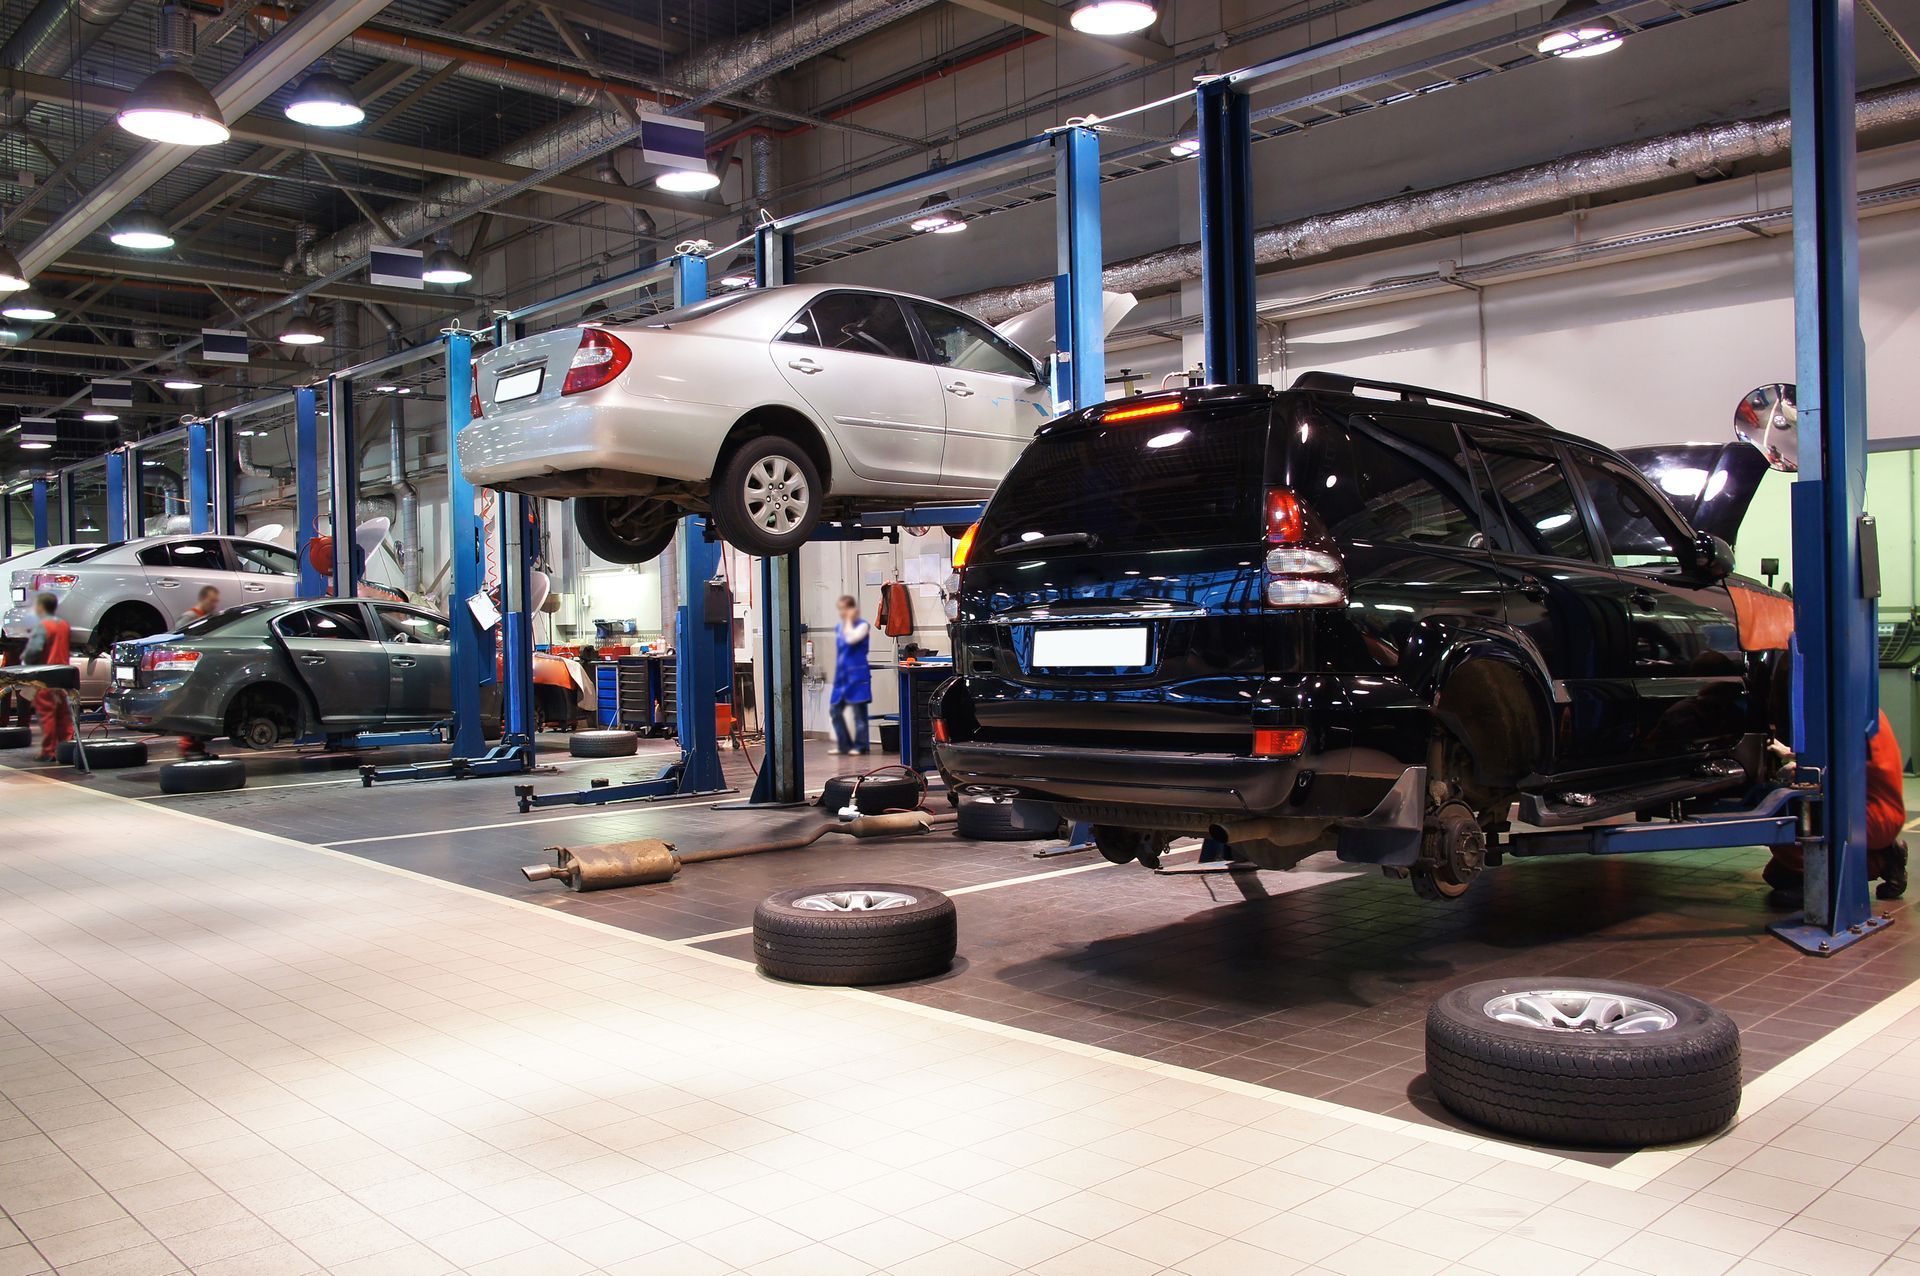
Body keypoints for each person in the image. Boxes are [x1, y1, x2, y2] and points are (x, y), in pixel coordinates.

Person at [1765, 708, 1909, 903]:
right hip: (1871, 810)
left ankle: (1881, 861)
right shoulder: (1865, 708)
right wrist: (1794, 755)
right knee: (1778, 874)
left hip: (1873, 816)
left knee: (1782, 828)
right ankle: (1883, 852)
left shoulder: (1851, 712)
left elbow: (1841, 766)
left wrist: (1800, 768)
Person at [20, 592, 73, 761]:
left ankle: (49, 752)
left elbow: (33, 651)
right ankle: (67, 748)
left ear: (41, 607)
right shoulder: (64, 624)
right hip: (64, 675)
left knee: (47, 714)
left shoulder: (43, 626)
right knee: (64, 714)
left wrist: (25, 661)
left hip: (46, 676)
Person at [174, 586, 220, 758]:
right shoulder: (190, 618)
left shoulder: (207, 619)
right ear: (203, 599)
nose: (214, 605)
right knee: (191, 705)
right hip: (189, 669)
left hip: (199, 669)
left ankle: (195, 747)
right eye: (212, 601)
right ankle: (189, 747)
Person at [828, 594, 871, 756]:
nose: (841, 612)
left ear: (851, 609)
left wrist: (848, 621)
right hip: (842, 676)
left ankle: (861, 745)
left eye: (844, 609)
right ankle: (844, 744)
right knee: (834, 711)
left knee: (859, 714)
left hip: (857, 675)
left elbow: (850, 640)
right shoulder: (839, 627)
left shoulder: (862, 626)